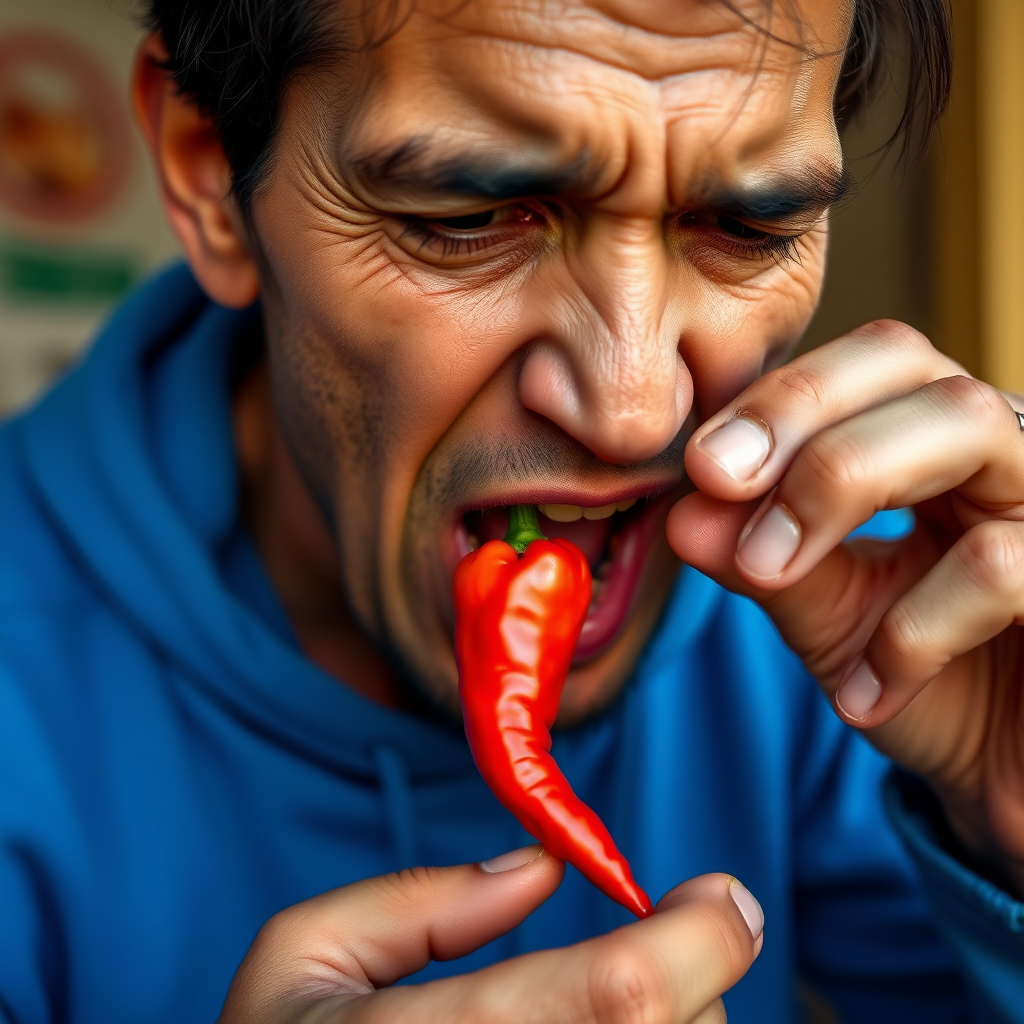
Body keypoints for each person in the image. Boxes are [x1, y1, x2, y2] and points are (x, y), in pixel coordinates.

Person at [1, 0, 1022, 1021]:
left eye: (748, 226)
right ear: (212, 174)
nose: (633, 411)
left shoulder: (876, 610)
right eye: (468, 219)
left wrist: (1009, 839)